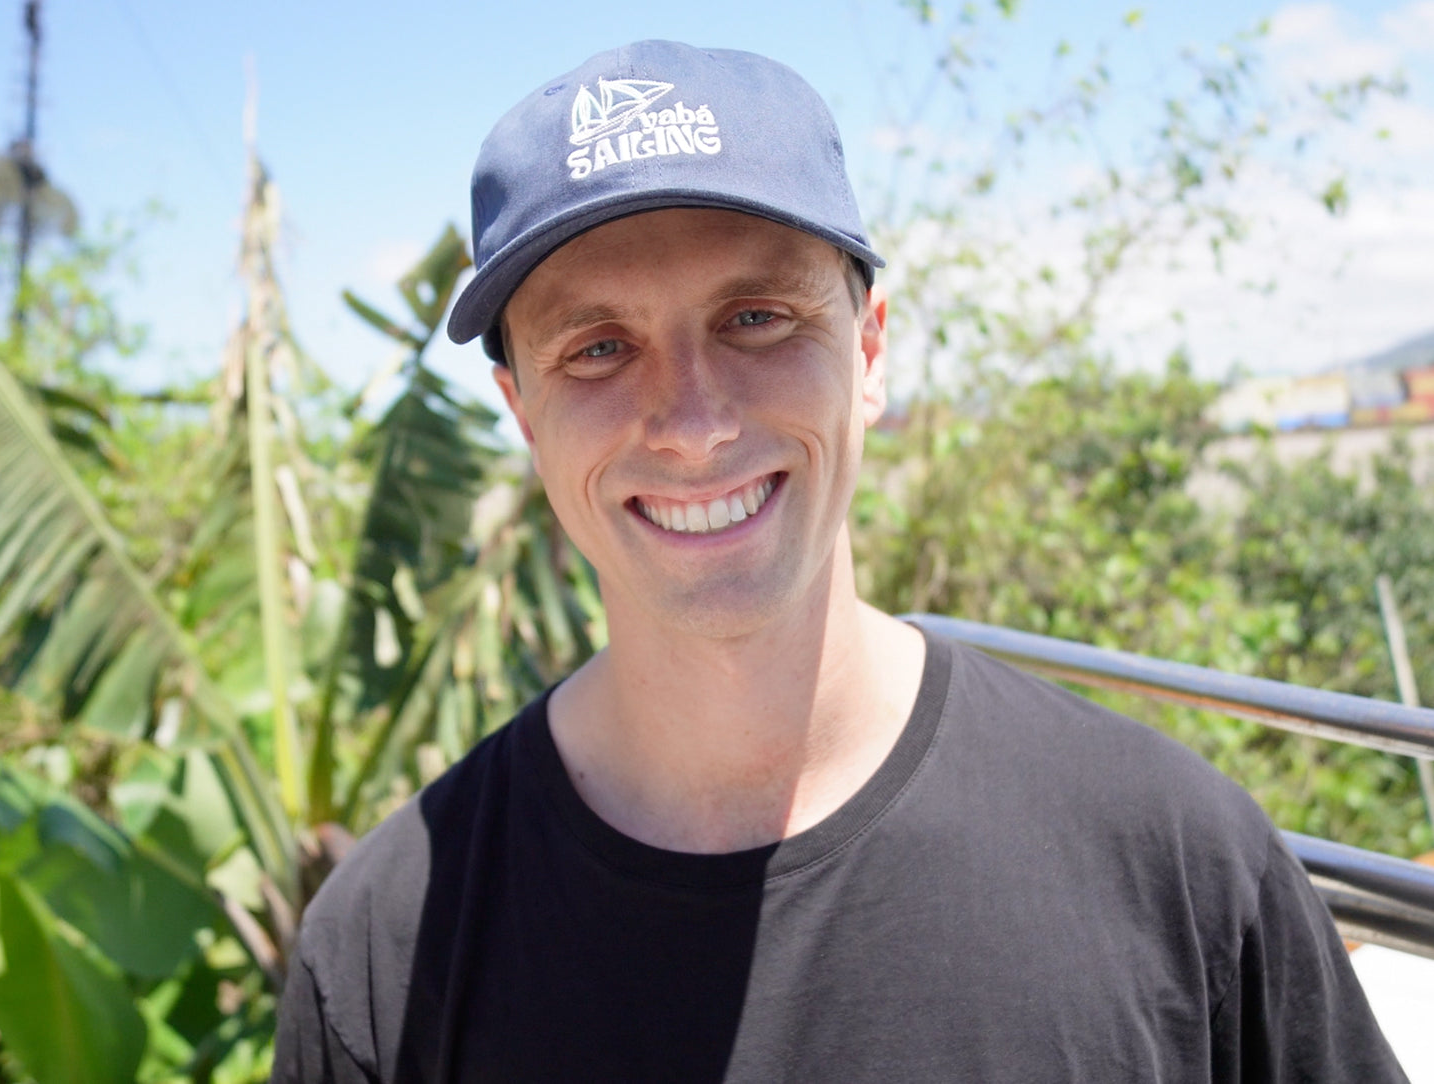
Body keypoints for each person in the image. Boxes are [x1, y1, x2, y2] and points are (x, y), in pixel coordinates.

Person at [271, 40, 1407, 1082]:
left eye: (756, 317)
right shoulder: (388, 953)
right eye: (600, 348)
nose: (692, 422)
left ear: (866, 350)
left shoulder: (1173, 859)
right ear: (521, 412)